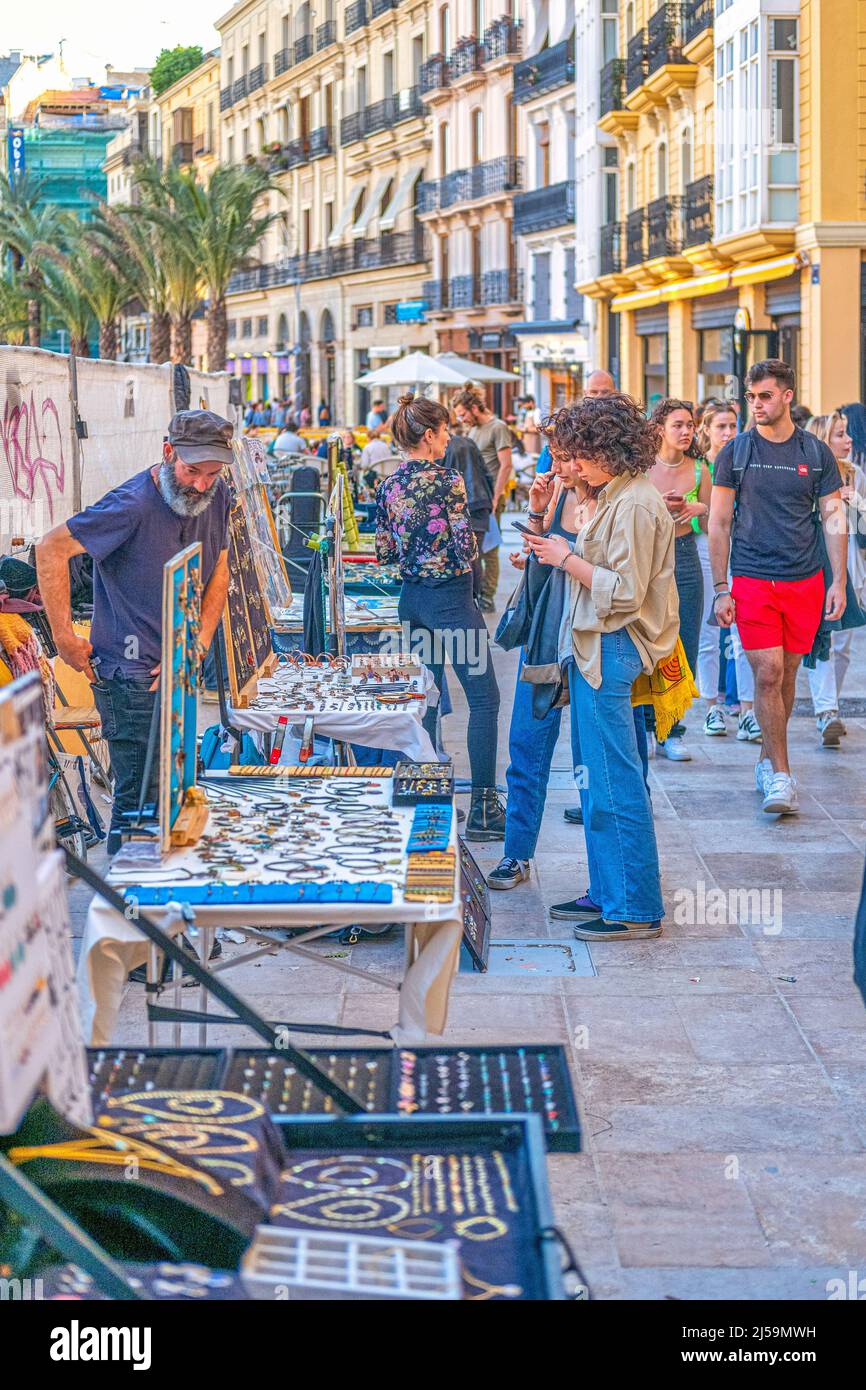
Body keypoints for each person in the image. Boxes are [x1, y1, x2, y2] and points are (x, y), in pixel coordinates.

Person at [35, 409, 232, 856]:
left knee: (174, 795)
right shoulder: (133, 504)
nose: (201, 484)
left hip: (179, 668)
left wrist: (196, 645)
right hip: (130, 678)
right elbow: (49, 550)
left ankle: (165, 911)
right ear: (168, 453)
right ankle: (127, 916)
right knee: (137, 807)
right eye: (192, 471)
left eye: (212, 473)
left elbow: (220, 569)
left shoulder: (219, 495)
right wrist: (65, 639)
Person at [521, 395, 676, 940]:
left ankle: (634, 905)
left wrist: (566, 560)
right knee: (595, 781)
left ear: (608, 449)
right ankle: (610, 890)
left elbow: (626, 591)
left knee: (614, 779)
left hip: (614, 646)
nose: (571, 466)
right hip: (599, 646)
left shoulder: (633, 502)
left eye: (579, 455)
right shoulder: (617, 495)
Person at [487, 441, 651, 889]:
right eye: (553, 456)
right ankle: (517, 854)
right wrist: (539, 519)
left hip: (598, 644)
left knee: (608, 764)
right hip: (548, 635)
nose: (556, 466)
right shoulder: (560, 492)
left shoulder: (617, 500)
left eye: (564, 457)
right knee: (527, 745)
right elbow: (544, 565)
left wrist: (564, 557)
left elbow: (620, 582)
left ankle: (622, 875)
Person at [709, 359, 846, 814]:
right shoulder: (736, 451)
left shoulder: (815, 452)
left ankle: (769, 759)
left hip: (805, 579)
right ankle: (782, 777)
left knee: (787, 676)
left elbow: (834, 518)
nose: (756, 405)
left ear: (787, 395)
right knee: (766, 673)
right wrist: (720, 587)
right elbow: (719, 522)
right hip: (751, 579)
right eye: (751, 397)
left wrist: (839, 580)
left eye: (764, 396)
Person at [375, 394, 504, 841]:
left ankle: (428, 801)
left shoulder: (387, 485)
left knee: (426, 698)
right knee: (485, 700)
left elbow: (385, 553)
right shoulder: (448, 480)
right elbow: (464, 547)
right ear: (428, 436)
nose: (449, 437)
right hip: (451, 601)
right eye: (445, 430)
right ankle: (486, 807)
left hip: (412, 602)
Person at [645, 400, 711, 761]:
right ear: (659, 429)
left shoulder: (700, 469)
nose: (687, 432)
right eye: (678, 425)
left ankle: (672, 729)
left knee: (684, 642)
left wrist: (695, 508)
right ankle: (643, 723)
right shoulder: (642, 468)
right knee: (648, 642)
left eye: (690, 425)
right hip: (648, 560)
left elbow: (716, 513)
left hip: (684, 556)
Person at [694, 402, 761, 743]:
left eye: (732, 425)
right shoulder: (699, 466)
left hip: (745, 548)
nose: (728, 433)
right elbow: (696, 520)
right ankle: (712, 707)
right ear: (705, 429)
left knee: (744, 633)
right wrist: (701, 510)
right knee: (709, 633)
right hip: (706, 549)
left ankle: (748, 711)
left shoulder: (746, 460)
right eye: (720, 426)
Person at [804, 412, 866, 744]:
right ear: (824, 441)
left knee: (843, 644)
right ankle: (826, 711)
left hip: (852, 569)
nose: (849, 440)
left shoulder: (856, 474)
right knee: (822, 638)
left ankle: (832, 708)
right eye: (840, 435)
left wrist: (854, 500)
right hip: (817, 565)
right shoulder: (811, 473)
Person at [452, 386, 513, 612]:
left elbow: (506, 466)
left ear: (475, 408)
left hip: (491, 496)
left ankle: (488, 596)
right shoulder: (473, 431)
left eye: (463, 413)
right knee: (476, 548)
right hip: (476, 496)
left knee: (490, 549)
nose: (462, 419)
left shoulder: (498, 428)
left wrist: (496, 497)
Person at [445, 430, 494, 601]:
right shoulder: (469, 442)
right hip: (480, 501)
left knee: (466, 556)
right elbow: (486, 472)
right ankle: (475, 598)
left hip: (464, 504)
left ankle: (469, 598)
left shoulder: (444, 447)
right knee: (475, 555)